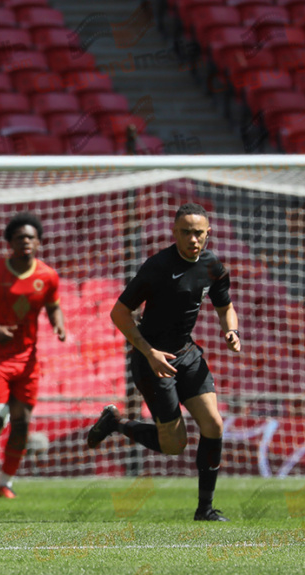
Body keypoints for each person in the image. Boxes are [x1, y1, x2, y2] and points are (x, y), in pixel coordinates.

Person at [86, 203, 241, 521]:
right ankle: (115, 423)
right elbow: (119, 313)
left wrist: (231, 331)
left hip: (187, 354)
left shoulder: (212, 266)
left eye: (198, 233)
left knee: (213, 424)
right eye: (185, 232)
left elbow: (225, 306)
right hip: (152, 360)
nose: (192, 239)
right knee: (175, 445)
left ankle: (205, 509)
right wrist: (149, 352)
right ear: (174, 233)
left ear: (208, 233)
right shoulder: (157, 267)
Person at [0, 213, 66, 498]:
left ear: (38, 242)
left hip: (28, 360)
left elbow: (53, 306)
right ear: (10, 242)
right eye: (19, 237)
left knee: (22, 422)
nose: (25, 241)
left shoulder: (47, 276)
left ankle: (5, 483)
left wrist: (58, 323)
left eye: (30, 237)